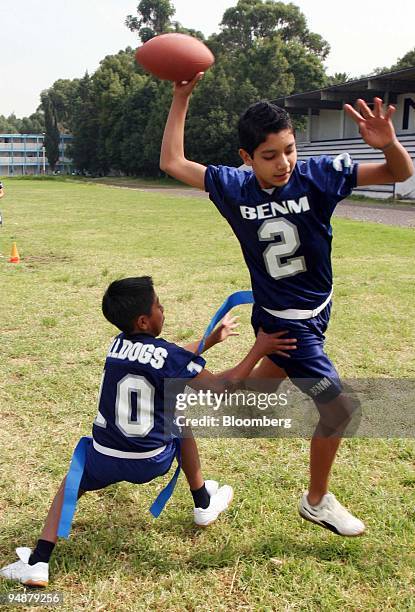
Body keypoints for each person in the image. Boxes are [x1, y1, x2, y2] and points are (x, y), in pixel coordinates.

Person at [159, 76, 414, 537]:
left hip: (314, 310)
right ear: (246, 158)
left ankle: (188, 400)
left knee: (252, 402)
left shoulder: (317, 174)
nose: (284, 163)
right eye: (270, 155)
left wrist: (390, 143)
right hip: (290, 326)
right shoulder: (235, 186)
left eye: (289, 149)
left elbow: (399, 173)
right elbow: (171, 161)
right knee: (341, 411)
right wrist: (181, 98)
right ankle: (317, 501)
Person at [0, 276, 296, 587]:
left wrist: (209, 340)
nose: (163, 309)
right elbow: (220, 386)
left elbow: (167, 358)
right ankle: (202, 501)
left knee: (71, 486)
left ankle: (39, 561)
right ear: (144, 320)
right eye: (159, 306)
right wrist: (258, 349)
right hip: (151, 460)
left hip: (104, 456)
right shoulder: (166, 356)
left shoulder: (117, 344)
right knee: (180, 417)